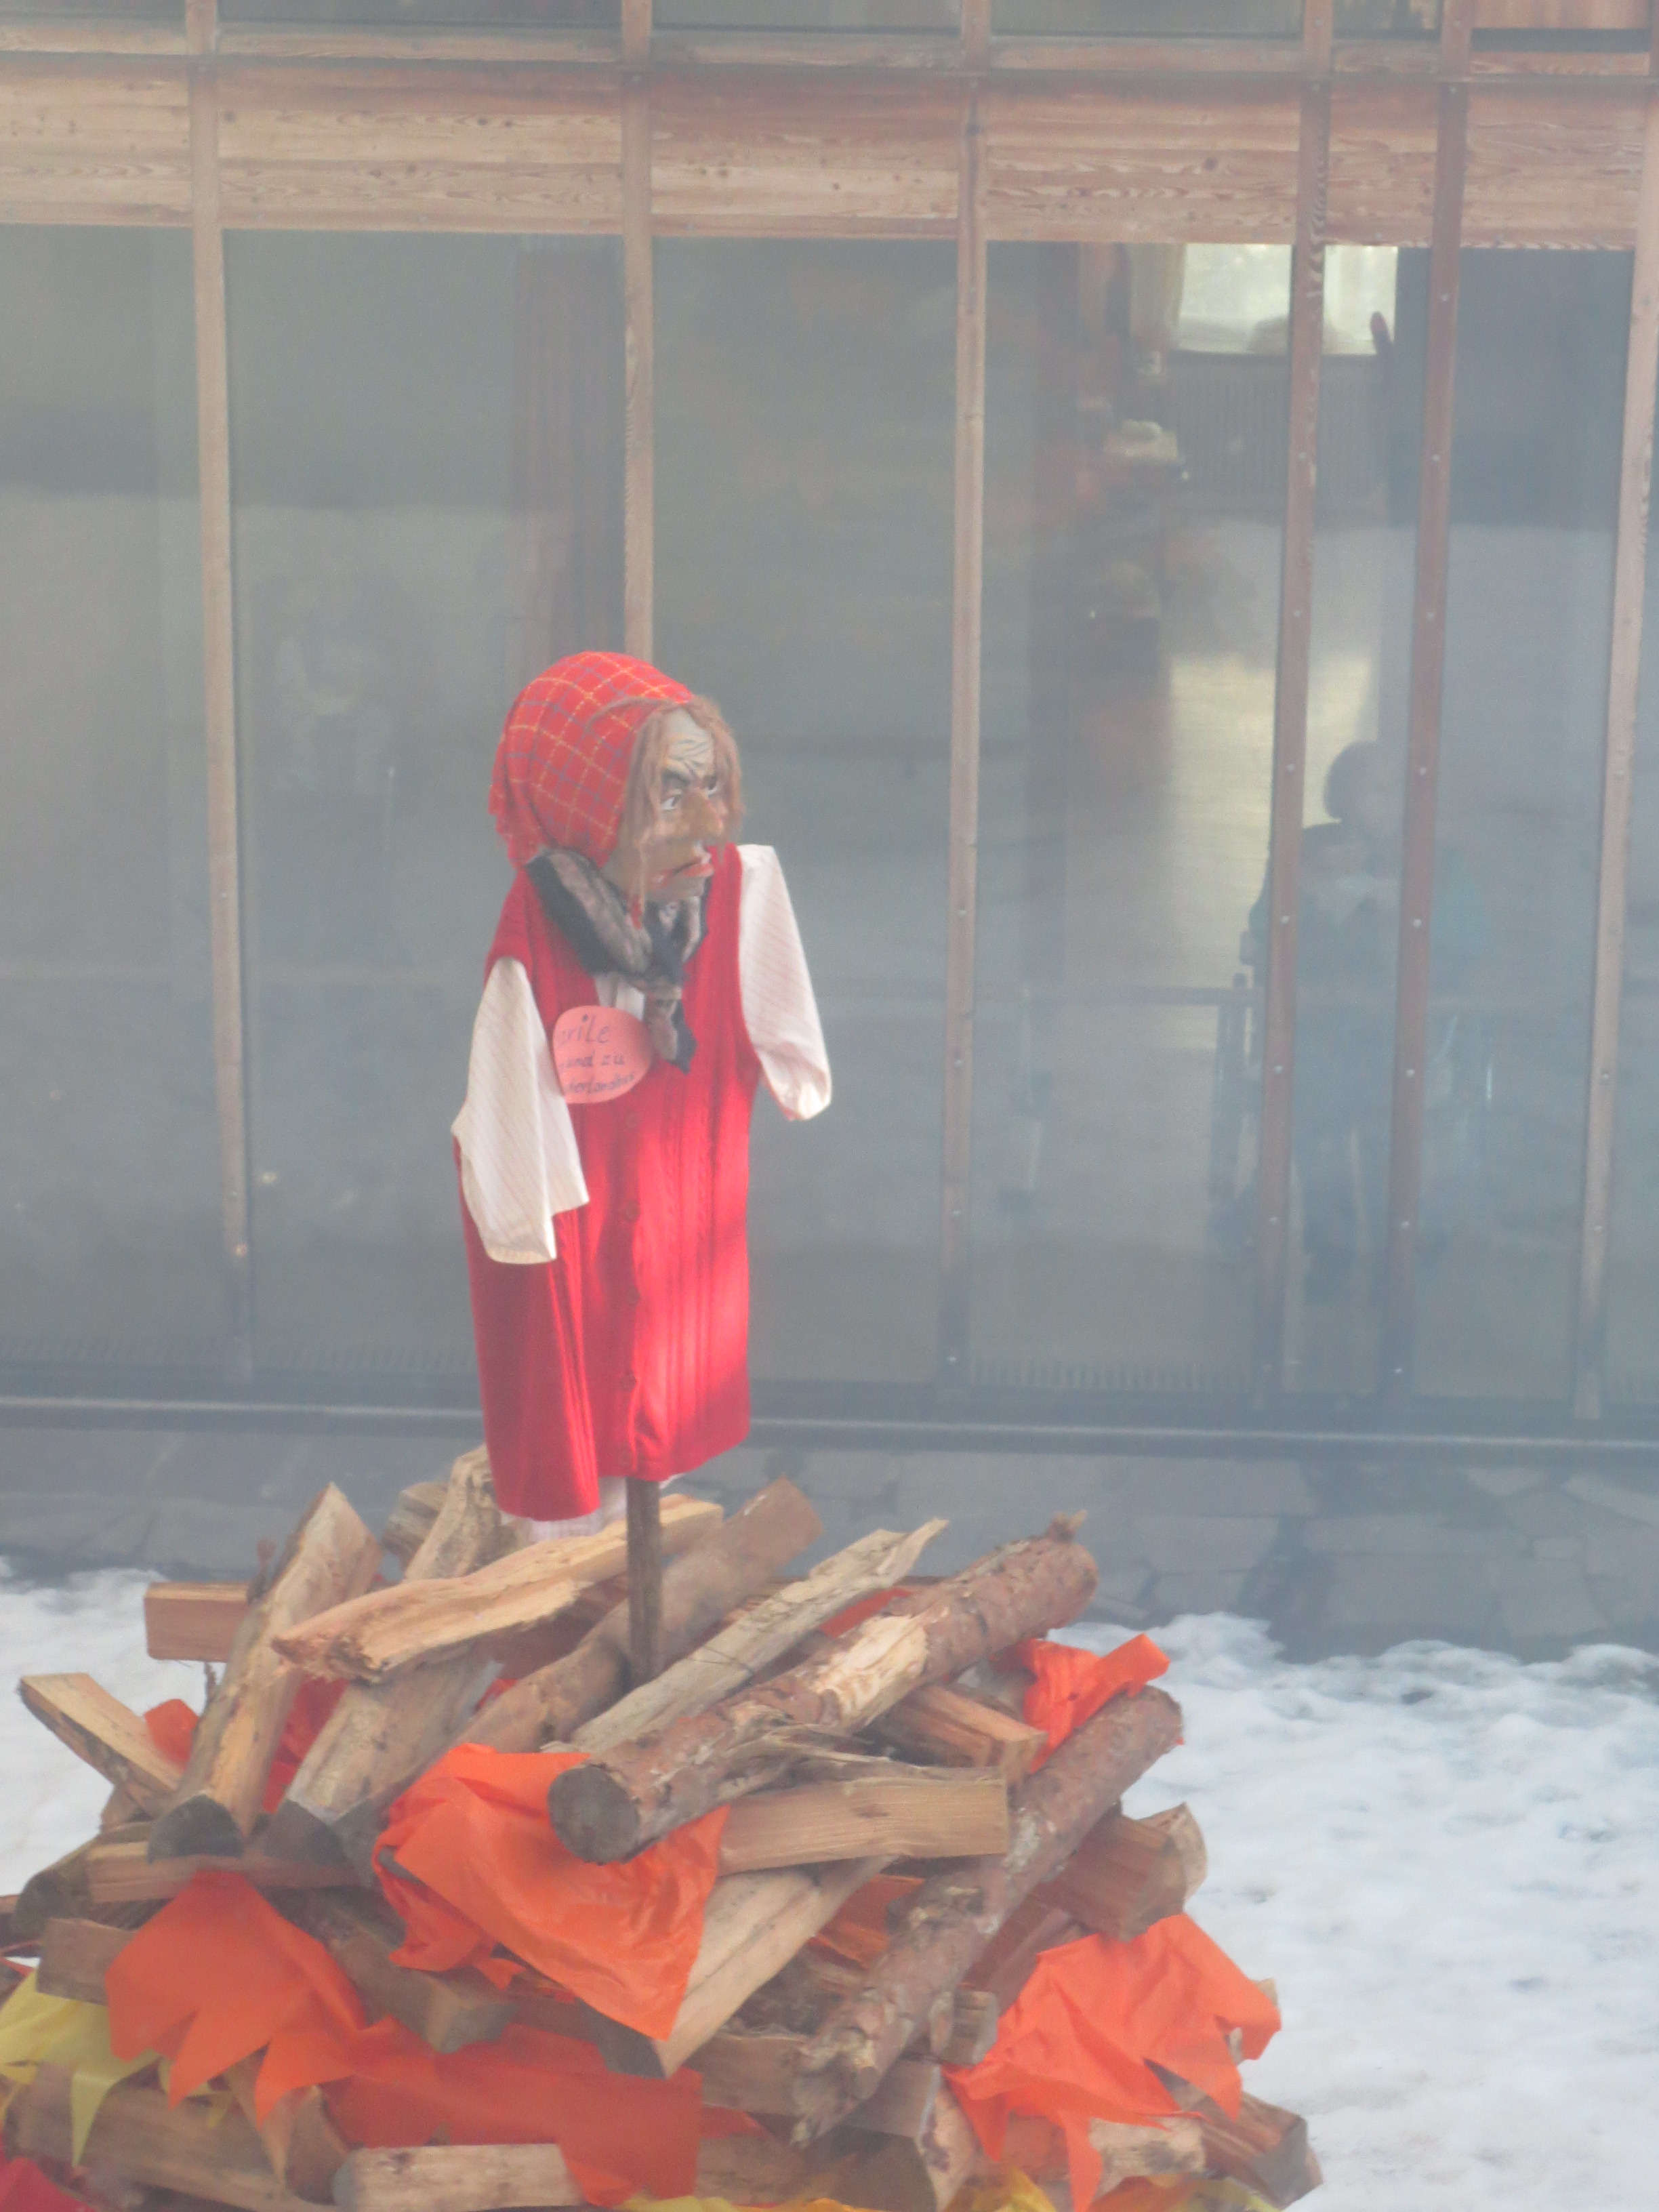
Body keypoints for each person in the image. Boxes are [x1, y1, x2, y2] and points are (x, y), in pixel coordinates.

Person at [452, 651, 830, 1532]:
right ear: (586, 800)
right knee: (581, 1467)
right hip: (574, 1264)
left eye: (712, 784)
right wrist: (538, 1237)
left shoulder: (742, 894)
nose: (709, 818)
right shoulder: (535, 928)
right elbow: (509, 1145)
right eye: (669, 791)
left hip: (684, 1261)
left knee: (662, 1419)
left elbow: (797, 1061)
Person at [1248, 739, 1485, 1296]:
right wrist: (1307, 889)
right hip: (1319, 1027)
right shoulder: (1306, 848)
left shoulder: (1439, 859)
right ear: (1345, 795)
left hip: (1401, 1032)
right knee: (1320, 1136)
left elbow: (1473, 941)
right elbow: (1261, 928)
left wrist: (1408, 910)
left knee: (1389, 1138)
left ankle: (1392, 1253)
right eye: (1374, 787)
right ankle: (1331, 1253)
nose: (1388, 800)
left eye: (1397, 788)